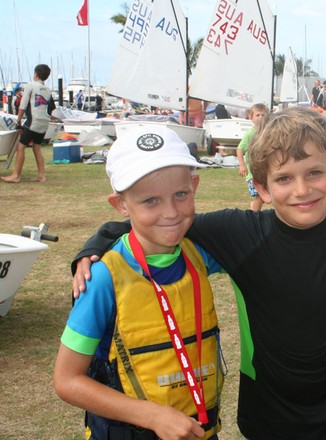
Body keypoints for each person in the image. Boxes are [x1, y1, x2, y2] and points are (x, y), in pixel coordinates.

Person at [71, 107, 326, 439]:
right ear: (262, 188)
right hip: (270, 419)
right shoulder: (240, 234)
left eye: (314, 174)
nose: (301, 190)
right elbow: (152, 221)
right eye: (284, 178)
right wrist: (93, 246)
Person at [53, 125, 225, 440]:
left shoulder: (201, 254)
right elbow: (67, 380)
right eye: (150, 201)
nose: (171, 212)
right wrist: (151, 415)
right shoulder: (102, 278)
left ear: (194, 185)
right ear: (120, 204)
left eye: (181, 194)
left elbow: (274, 231)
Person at [2, 64, 55, 183]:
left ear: (35, 74)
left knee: (20, 147)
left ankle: (16, 175)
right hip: (44, 122)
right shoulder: (47, 90)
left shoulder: (31, 86)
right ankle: (41, 176)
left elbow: (23, 105)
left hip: (33, 122)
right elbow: (51, 108)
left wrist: (19, 120)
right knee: (37, 147)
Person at [236, 103, 269, 211]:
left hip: (265, 170)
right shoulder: (250, 133)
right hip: (253, 173)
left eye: (263, 115)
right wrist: (242, 165)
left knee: (267, 195)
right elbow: (240, 149)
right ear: (251, 117)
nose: (260, 118)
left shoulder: (268, 132)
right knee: (260, 196)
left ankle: (255, 209)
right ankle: (255, 213)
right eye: (258, 115)